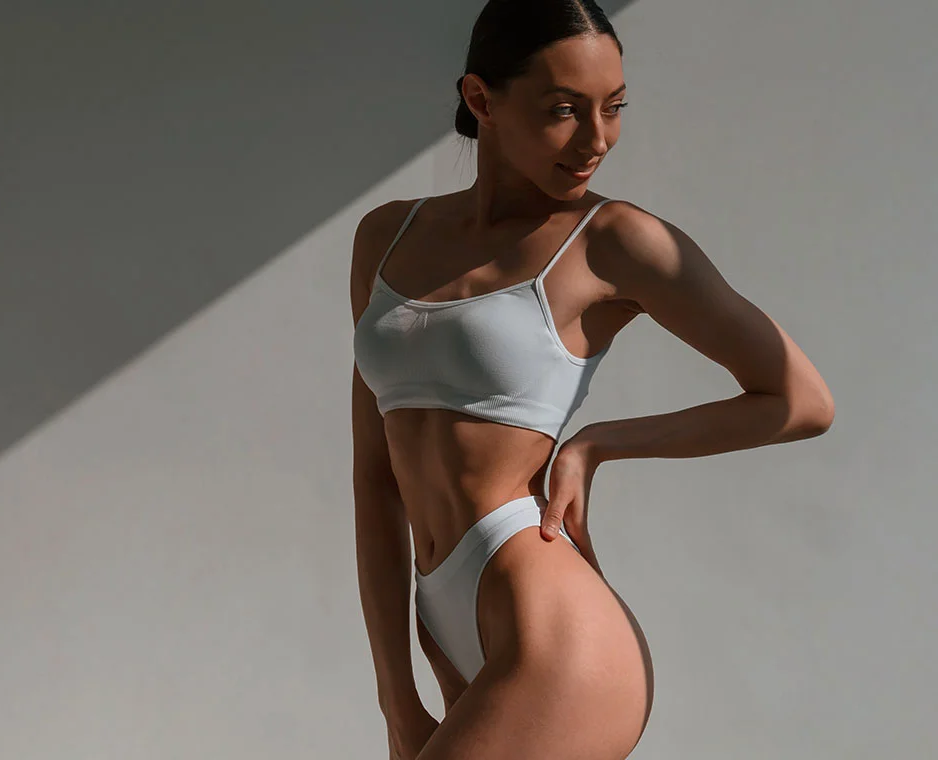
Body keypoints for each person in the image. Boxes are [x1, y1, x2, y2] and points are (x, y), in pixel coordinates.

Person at [350, 1, 834, 758]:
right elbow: (374, 477)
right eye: (563, 111)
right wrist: (395, 696)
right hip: (444, 611)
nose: (598, 139)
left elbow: (800, 401)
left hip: (552, 626)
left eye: (613, 109)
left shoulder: (613, 242)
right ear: (481, 100)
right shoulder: (387, 236)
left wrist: (597, 443)